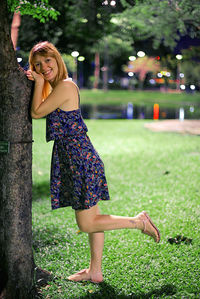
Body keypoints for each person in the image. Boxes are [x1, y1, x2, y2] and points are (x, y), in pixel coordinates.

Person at [27, 41, 160, 284]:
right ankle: (94, 271)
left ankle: (139, 222)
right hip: (77, 157)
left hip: (79, 159)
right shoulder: (57, 87)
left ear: (57, 60)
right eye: (38, 65)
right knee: (94, 217)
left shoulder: (65, 86)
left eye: (47, 61)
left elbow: (36, 112)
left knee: (87, 222)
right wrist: (40, 83)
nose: (44, 67)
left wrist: (37, 82)